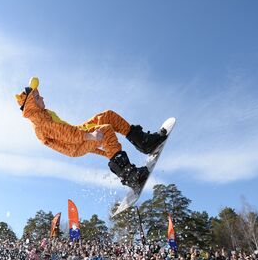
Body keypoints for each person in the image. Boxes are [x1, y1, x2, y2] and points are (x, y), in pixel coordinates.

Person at [15, 80, 167, 191]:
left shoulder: (43, 114)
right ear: (32, 105)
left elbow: (70, 130)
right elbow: (66, 134)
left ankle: (143, 142)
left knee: (107, 115)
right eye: (37, 97)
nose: (42, 98)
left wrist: (104, 149)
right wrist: (92, 137)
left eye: (39, 95)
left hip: (77, 133)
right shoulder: (41, 124)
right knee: (105, 131)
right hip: (74, 143)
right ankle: (130, 176)